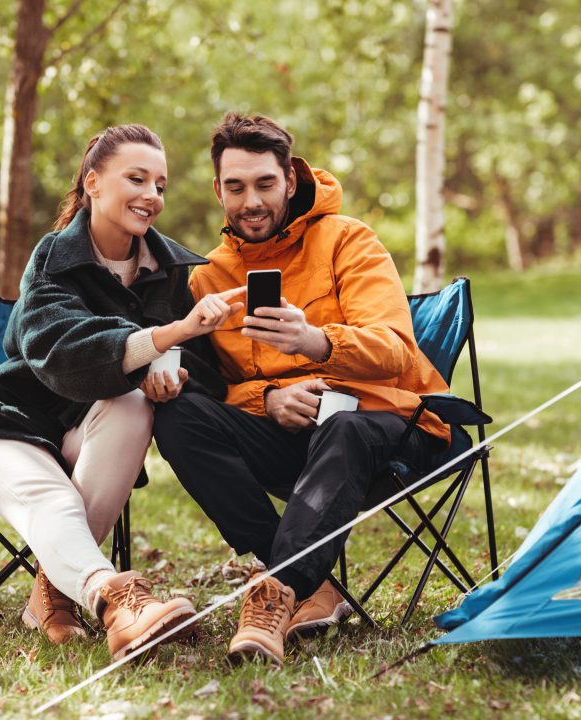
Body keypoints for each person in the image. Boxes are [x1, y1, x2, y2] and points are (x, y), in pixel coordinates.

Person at [153, 112, 458, 666]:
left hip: (389, 427)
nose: (252, 202)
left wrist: (315, 341)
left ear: (290, 181)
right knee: (178, 416)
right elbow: (217, 388)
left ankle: (274, 593)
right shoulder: (208, 279)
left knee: (344, 425)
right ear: (218, 190)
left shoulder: (348, 240)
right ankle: (311, 585)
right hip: (294, 443)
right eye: (237, 187)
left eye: (265, 184)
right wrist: (265, 400)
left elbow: (394, 350)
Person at [0, 124, 244, 661]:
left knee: (132, 401)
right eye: (137, 178)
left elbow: (208, 363)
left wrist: (168, 363)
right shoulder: (55, 258)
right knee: (53, 496)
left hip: (86, 435)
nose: (153, 195)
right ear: (93, 182)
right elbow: (65, 351)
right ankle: (114, 600)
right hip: (4, 426)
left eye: (161, 184)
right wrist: (167, 338)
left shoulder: (174, 268)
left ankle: (54, 590)